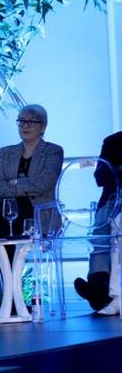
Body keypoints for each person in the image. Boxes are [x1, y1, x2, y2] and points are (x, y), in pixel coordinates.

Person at [0, 105, 63, 286]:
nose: (25, 126)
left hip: (37, 213)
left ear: (43, 126)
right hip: (6, 211)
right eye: (21, 121)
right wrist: (24, 185)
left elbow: (44, 183)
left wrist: (14, 183)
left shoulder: (53, 151)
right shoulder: (7, 152)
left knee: (5, 220)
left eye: (31, 122)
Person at [75, 130, 122, 313]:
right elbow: (99, 177)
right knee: (100, 235)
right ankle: (97, 287)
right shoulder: (113, 141)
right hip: (113, 198)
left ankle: (100, 293)